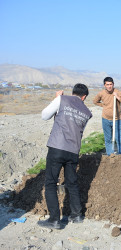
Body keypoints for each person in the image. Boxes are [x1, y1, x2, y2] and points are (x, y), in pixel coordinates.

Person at [38, 83, 92, 230]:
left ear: (72, 92)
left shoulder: (62, 99)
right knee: (72, 183)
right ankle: (77, 215)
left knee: (50, 183)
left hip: (57, 147)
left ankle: (55, 220)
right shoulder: (87, 112)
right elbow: (77, 128)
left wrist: (56, 99)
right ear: (84, 97)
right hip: (73, 150)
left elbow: (45, 116)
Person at [93, 77, 121, 155]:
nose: (109, 86)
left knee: (119, 139)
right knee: (108, 139)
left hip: (116, 119)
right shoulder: (101, 93)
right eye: (107, 84)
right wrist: (104, 106)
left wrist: (118, 97)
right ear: (104, 85)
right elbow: (95, 101)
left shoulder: (118, 92)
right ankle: (110, 156)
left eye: (111, 84)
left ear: (113, 84)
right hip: (105, 119)